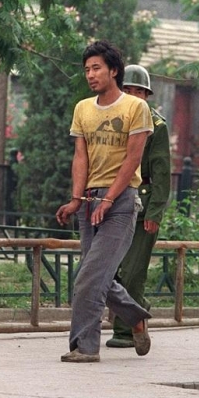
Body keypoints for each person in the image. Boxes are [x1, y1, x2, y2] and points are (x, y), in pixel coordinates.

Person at [56, 41, 154, 363]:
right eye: (86, 69)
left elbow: (133, 158)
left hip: (122, 202)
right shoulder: (83, 109)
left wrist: (110, 199)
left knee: (88, 276)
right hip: (88, 202)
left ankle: (85, 347)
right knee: (94, 273)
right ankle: (136, 317)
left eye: (96, 68)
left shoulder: (135, 107)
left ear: (114, 70)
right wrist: (75, 200)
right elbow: (80, 157)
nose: (90, 74)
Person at [106, 65, 171, 349]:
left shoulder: (157, 127)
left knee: (133, 272)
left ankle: (125, 331)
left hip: (143, 204)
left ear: (146, 95)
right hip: (112, 201)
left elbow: (162, 173)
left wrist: (155, 212)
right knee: (109, 270)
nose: (133, 96)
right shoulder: (110, 120)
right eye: (128, 90)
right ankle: (138, 309)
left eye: (138, 92)